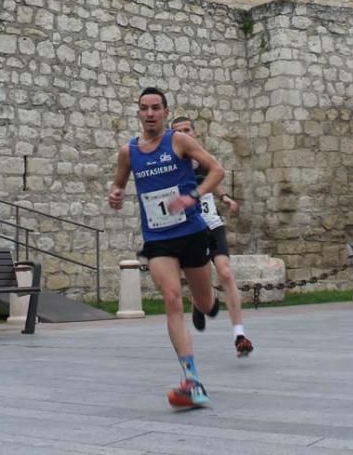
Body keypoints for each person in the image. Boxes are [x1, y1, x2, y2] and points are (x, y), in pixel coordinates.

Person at [108, 88, 225, 408]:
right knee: (172, 299)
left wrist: (194, 195)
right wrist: (116, 194)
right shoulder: (129, 152)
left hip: (191, 231)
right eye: (144, 108)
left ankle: (208, 303)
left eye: (155, 108)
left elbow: (217, 170)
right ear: (138, 113)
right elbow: (119, 183)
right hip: (158, 238)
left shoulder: (179, 141)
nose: (149, 114)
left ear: (164, 111)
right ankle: (192, 380)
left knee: (203, 300)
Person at [171, 116, 254, 357]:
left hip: (211, 223)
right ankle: (199, 304)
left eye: (187, 129)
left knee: (226, 273)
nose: (184, 134)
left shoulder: (202, 157)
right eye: (179, 131)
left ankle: (240, 334)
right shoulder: (174, 163)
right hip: (189, 229)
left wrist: (225, 197)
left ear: (194, 133)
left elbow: (214, 178)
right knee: (201, 279)